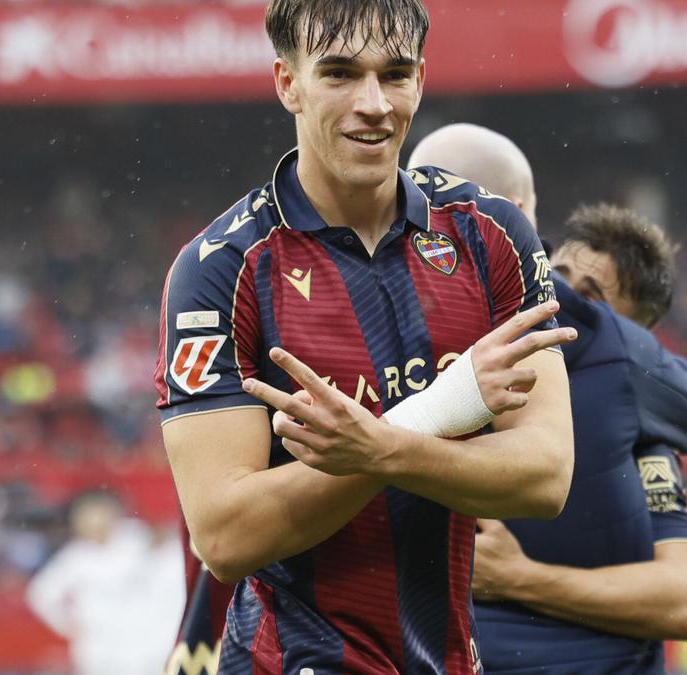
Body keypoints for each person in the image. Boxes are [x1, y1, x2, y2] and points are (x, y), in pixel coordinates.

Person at [154, 0, 577, 671]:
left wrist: (375, 445)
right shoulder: (222, 270)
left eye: (396, 74)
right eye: (341, 74)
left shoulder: (491, 234)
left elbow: (545, 476)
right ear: (287, 81)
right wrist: (442, 410)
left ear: (422, 79)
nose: (375, 103)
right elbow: (225, 534)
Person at [408, 124, 687, 672]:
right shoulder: (407, 342)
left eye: (589, 296)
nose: (559, 297)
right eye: (556, 274)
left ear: (638, 331)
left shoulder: (637, 437)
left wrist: (523, 579)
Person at [26, 490, 185, 675]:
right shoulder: (76, 557)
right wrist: (71, 625)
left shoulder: (136, 541)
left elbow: (170, 564)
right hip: (101, 653)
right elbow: (41, 594)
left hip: (149, 648)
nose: (94, 525)